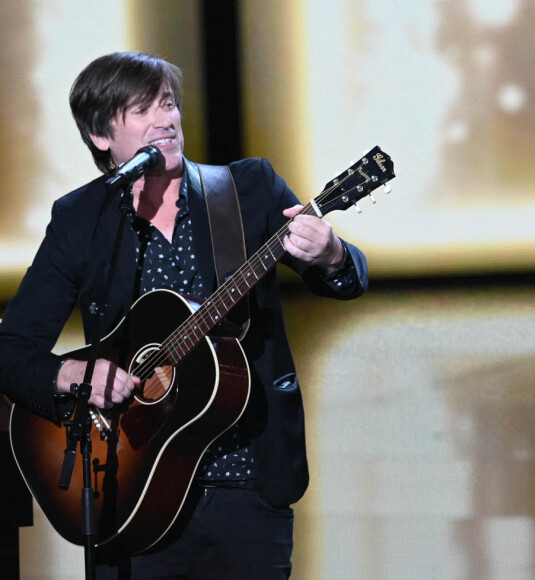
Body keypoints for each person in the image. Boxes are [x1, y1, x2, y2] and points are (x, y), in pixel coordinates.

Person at [0, 52, 368, 579]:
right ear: (101, 136)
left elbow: (349, 278)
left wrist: (331, 253)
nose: (164, 120)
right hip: (126, 486)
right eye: (140, 110)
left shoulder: (246, 189)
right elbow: (11, 347)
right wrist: (71, 374)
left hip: (245, 482)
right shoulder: (82, 218)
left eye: (168, 104)